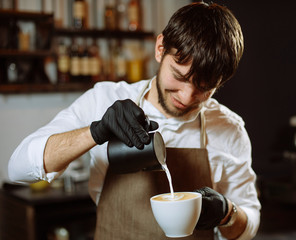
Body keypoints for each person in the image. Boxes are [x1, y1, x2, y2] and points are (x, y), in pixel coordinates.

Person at [8, 2, 260, 240]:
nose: (187, 96)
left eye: (205, 88)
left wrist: (227, 213)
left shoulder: (229, 128)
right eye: (179, 77)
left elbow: (249, 224)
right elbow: (18, 169)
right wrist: (95, 132)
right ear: (160, 48)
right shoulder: (103, 99)